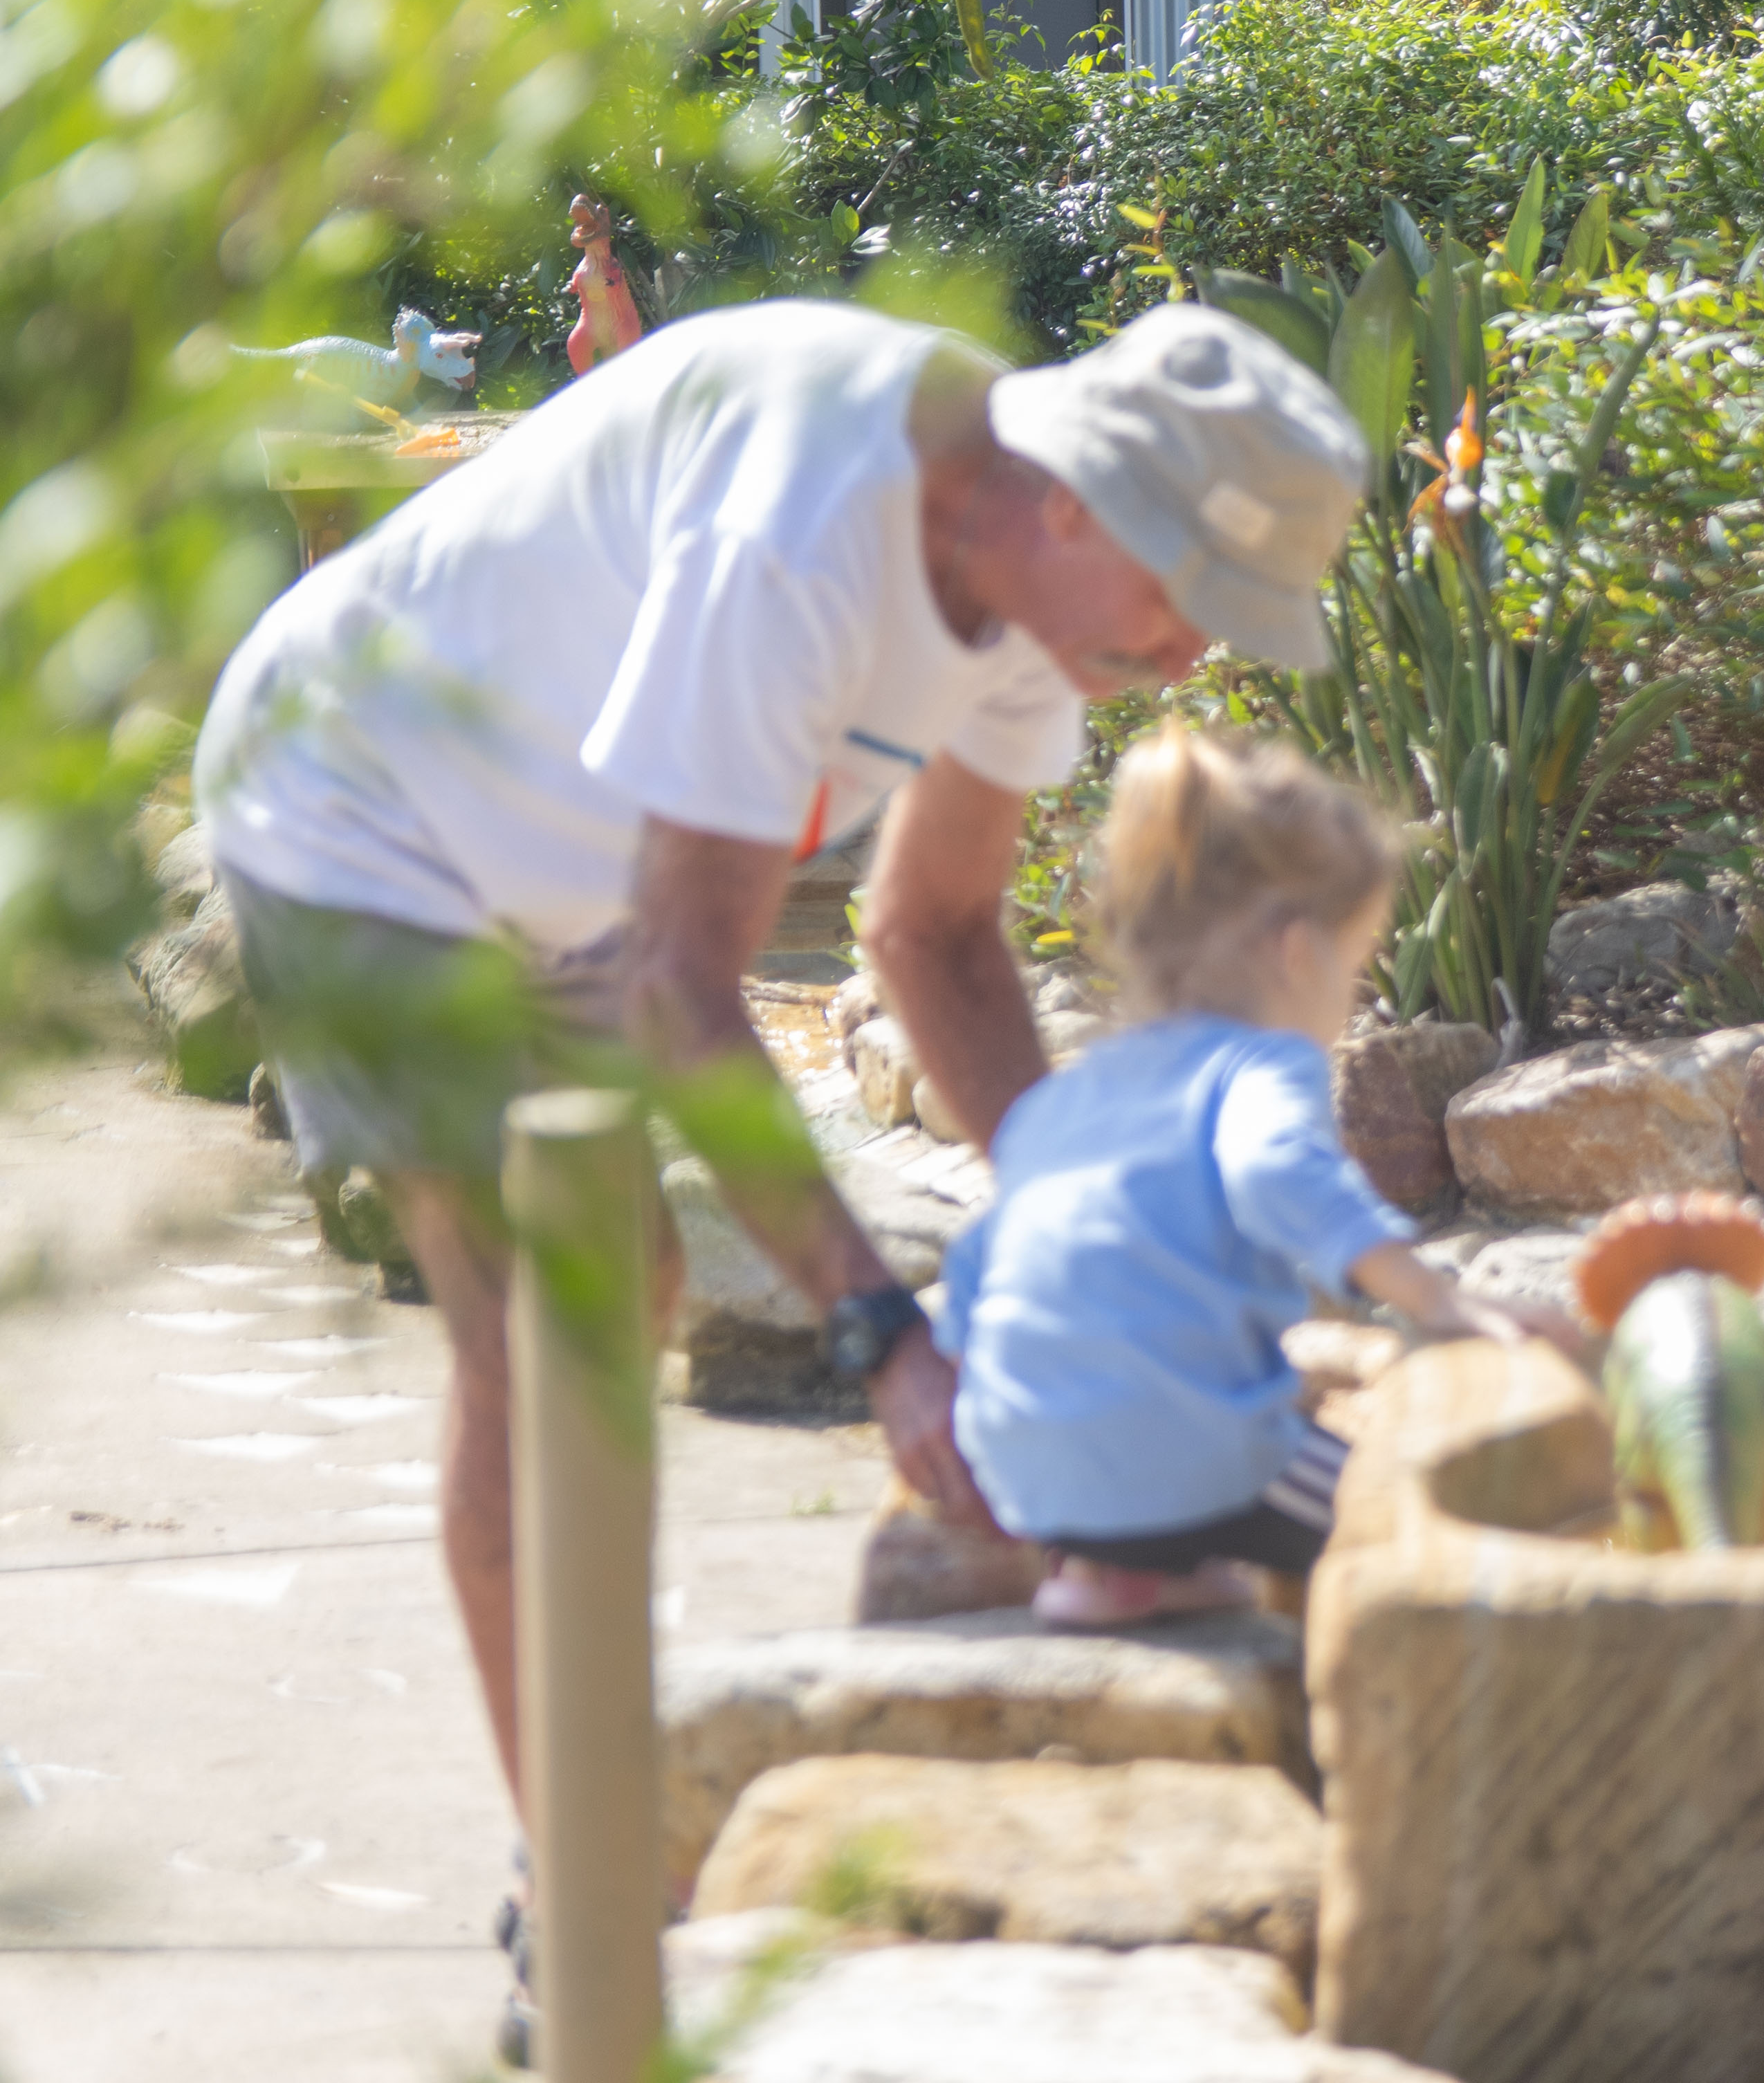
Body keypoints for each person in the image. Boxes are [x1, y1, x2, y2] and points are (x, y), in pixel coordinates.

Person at [192, 295, 1367, 2050]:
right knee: (544, 1332)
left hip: (572, 871)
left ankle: (590, 1827)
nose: (1196, 656)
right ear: (1074, 495)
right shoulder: (809, 526)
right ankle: (581, 1894)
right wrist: (888, 1338)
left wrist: (1095, 1255)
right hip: (355, 809)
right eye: (1190, 595)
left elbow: (934, 930)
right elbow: (686, 985)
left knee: (637, 1295)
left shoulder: (1039, 600)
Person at [940, 726, 1579, 1627]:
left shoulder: (1066, 1099)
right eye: (1356, 961)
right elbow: (1275, 1169)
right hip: (1188, 1457)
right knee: (1396, 1508)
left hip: (1027, 1470)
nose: (1352, 990)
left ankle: (1109, 1572)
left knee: (1143, 1424)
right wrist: (1439, 1302)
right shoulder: (1257, 1065)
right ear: (1295, 951)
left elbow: (976, 1272)